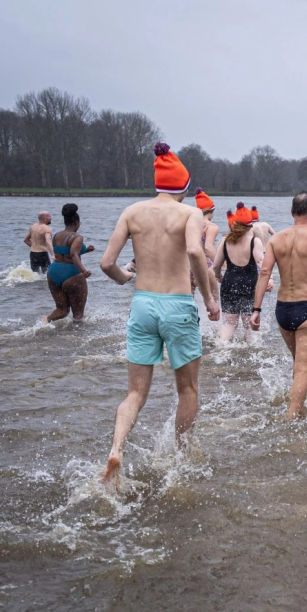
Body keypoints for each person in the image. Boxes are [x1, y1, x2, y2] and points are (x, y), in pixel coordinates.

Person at [98, 143, 220, 490]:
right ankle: (182, 458)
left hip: (142, 304)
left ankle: (116, 449)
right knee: (188, 389)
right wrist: (210, 300)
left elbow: (107, 263)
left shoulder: (132, 211)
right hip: (178, 304)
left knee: (135, 393)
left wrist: (125, 278)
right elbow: (196, 251)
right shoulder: (190, 214)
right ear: (183, 186)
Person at [250, 192, 307, 420]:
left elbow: (265, 273)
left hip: (283, 310)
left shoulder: (277, 239)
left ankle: (295, 405)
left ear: (291, 212)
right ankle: (292, 418)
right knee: (302, 369)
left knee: (298, 363)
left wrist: (256, 310)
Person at [213, 206, 268, 342]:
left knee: (229, 323)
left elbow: (216, 265)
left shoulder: (225, 241)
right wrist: (270, 279)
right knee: (249, 325)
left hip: (229, 284)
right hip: (249, 286)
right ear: (250, 226)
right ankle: (250, 352)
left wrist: (219, 276)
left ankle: (222, 347)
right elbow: (262, 263)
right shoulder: (254, 242)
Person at [41, 203, 94, 324]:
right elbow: (73, 255)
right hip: (71, 274)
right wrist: (84, 271)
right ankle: (78, 339)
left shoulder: (56, 236)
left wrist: (85, 250)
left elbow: (63, 252)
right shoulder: (77, 237)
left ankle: (45, 321)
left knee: (62, 310)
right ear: (76, 222)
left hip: (53, 272)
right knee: (78, 315)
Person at [191, 189, 221, 308]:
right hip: (205, 265)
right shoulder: (211, 227)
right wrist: (218, 266)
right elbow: (208, 248)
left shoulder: (190, 224)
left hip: (188, 265)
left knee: (189, 302)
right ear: (211, 211)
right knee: (214, 301)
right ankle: (215, 324)